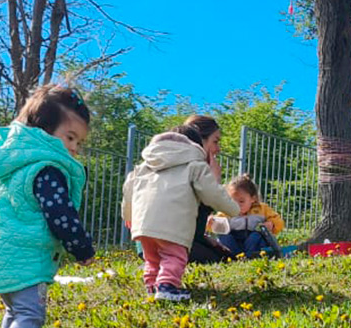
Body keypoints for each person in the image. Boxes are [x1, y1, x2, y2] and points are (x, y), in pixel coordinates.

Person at [0, 84, 95, 328]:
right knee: (30, 312)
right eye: (70, 137)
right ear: (42, 131)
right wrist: (82, 249)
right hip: (24, 254)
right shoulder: (46, 168)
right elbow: (60, 215)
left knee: (15, 311)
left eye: (79, 142)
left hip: (2, 252)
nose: (74, 148)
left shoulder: (15, 162)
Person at [122, 125, 240, 301]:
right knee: (174, 256)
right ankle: (167, 286)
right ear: (196, 146)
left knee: (152, 259)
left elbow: (128, 193)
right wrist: (233, 209)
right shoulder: (194, 165)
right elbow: (212, 193)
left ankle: (152, 286)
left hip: (143, 226)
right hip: (173, 225)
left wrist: (129, 217)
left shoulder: (143, 167)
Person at [183, 115, 233, 264]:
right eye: (215, 141)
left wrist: (204, 238)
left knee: (224, 255)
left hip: (150, 242)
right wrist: (215, 182)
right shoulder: (192, 169)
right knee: (223, 260)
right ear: (199, 141)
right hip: (171, 243)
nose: (218, 149)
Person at [213, 174, 285, 257]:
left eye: (241, 201)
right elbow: (214, 224)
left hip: (254, 244)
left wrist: (272, 224)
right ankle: (234, 257)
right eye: (232, 201)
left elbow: (279, 222)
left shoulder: (262, 209)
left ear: (252, 199)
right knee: (224, 236)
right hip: (234, 244)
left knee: (256, 236)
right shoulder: (226, 211)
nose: (236, 205)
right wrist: (211, 223)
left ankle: (251, 256)